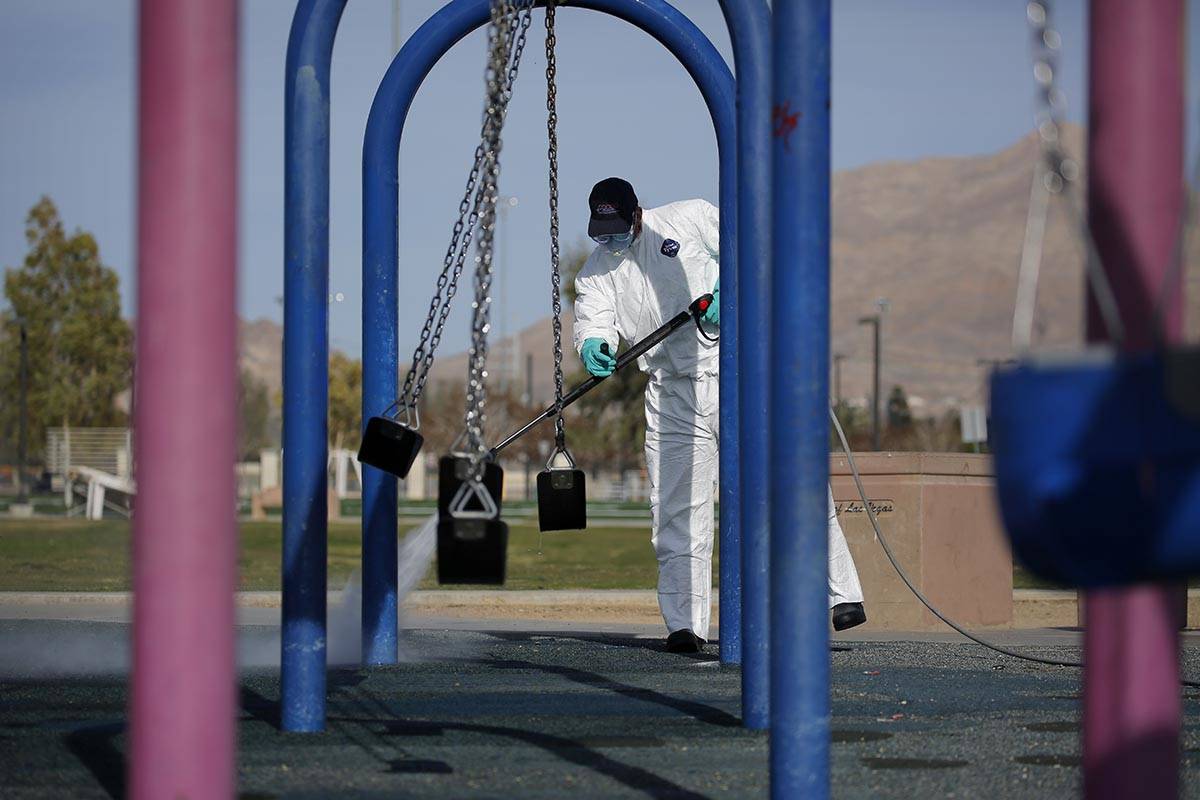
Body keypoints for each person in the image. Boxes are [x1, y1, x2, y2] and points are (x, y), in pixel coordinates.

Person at [572, 177, 866, 653]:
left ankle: (841, 596)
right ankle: (685, 624)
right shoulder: (596, 271)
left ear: (636, 214)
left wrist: (729, 293)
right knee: (675, 508)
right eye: (600, 232)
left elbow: (752, 252)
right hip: (670, 391)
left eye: (615, 228)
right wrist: (593, 343)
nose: (609, 239)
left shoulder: (689, 217)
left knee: (790, 482)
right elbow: (593, 315)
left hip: (735, 374)